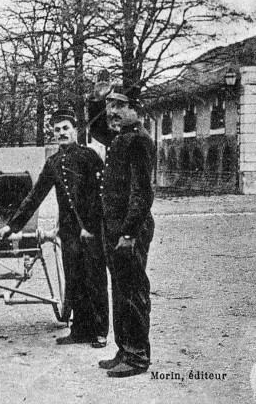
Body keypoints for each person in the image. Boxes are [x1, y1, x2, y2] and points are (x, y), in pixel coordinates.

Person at [0, 108, 108, 348]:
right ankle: (80, 330)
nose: (61, 133)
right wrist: (12, 226)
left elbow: (102, 195)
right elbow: (35, 196)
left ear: (75, 131)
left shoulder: (90, 157)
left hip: (91, 227)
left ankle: (100, 331)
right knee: (74, 278)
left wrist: (94, 226)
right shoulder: (53, 163)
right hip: (68, 230)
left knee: (95, 278)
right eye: (57, 130)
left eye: (66, 128)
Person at [89, 84, 156, 378]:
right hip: (116, 228)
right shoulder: (121, 137)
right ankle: (125, 349)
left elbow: (142, 193)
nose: (112, 112)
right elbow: (95, 129)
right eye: (109, 105)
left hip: (131, 229)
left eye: (119, 105)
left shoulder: (139, 140)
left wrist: (128, 233)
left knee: (133, 291)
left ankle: (138, 356)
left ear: (135, 110)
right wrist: (95, 99)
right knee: (120, 290)